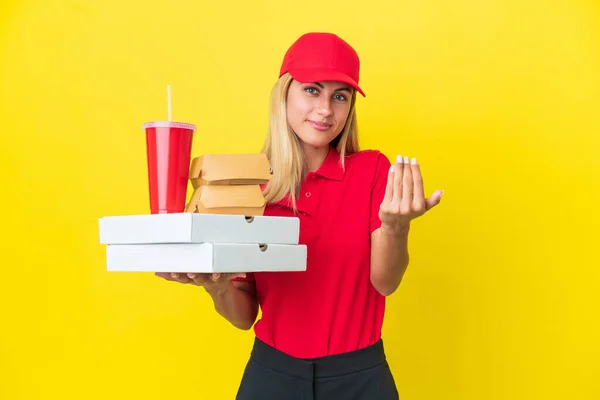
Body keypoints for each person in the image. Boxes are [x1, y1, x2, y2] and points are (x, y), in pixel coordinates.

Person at [156, 32, 444, 399]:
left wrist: (395, 227)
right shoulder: (252, 189)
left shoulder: (372, 170)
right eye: (312, 90)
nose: (326, 109)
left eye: (340, 96)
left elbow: (385, 283)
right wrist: (216, 285)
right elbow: (244, 317)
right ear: (284, 94)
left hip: (359, 378)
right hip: (272, 376)